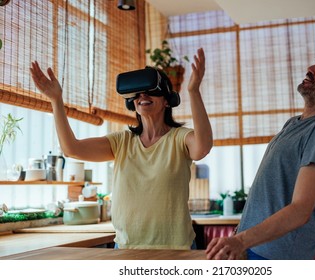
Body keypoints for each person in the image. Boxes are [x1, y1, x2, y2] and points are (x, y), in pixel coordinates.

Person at [206, 41, 315, 260]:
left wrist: (241, 241)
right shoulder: (294, 124)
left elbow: (300, 209)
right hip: (254, 249)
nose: (311, 69)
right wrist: (240, 234)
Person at [30, 48, 213, 250]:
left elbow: (202, 147)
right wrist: (56, 100)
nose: (143, 94)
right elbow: (71, 148)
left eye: (151, 89)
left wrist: (193, 90)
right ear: (131, 102)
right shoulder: (121, 142)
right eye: (137, 91)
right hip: (126, 250)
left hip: (176, 250)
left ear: (167, 100)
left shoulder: (179, 139)